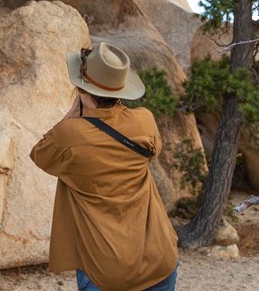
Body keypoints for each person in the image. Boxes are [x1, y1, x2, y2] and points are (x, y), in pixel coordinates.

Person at [30, 42, 178, 291]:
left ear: (82, 91)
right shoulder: (144, 120)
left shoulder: (69, 135)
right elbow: (154, 151)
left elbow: (40, 155)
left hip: (104, 270)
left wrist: (73, 113)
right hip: (159, 259)